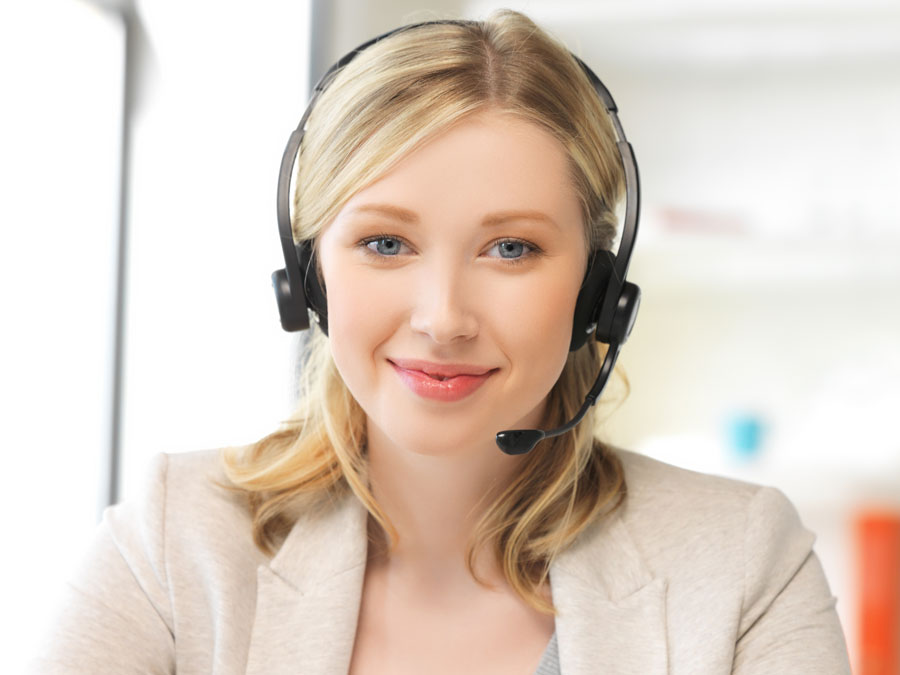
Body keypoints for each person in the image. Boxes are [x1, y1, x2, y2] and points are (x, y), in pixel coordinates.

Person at [29, 9, 851, 675]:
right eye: (386, 243)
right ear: (309, 274)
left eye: (512, 248)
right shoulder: (176, 545)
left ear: (597, 292)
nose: (443, 317)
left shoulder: (745, 564)